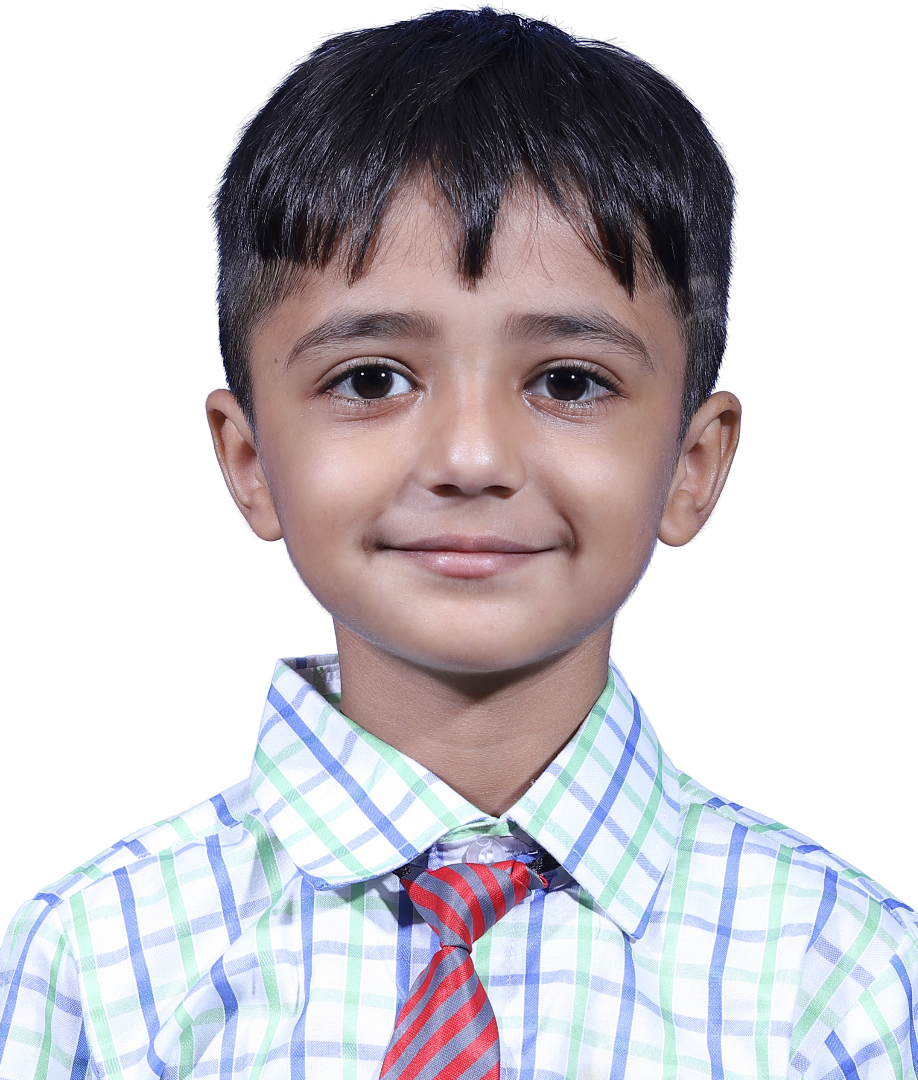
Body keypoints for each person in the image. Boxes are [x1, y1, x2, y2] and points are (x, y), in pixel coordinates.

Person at [2, 7, 914, 1079]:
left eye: (568, 381)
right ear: (246, 461)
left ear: (694, 466)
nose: (472, 458)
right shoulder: (92, 964)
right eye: (371, 379)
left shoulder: (844, 975)